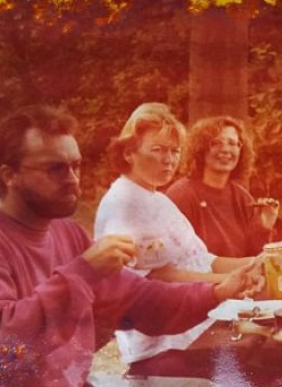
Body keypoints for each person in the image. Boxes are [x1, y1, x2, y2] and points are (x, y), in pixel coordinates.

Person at [0, 105, 258, 387]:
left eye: (76, 166)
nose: (73, 179)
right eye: (55, 169)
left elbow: (143, 300)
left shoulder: (68, 234)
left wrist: (218, 290)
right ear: (8, 175)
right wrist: (82, 272)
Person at [94, 103, 262, 370]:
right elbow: (159, 277)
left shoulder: (156, 197)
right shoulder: (125, 203)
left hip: (201, 325)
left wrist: (258, 262)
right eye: (158, 150)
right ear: (129, 152)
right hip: (167, 345)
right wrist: (227, 285)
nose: (169, 160)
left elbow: (202, 258)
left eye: (174, 151)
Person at [166, 115, 278, 258]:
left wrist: (263, 227)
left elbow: (255, 258)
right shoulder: (182, 195)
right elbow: (177, 261)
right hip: (201, 279)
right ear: (201, 149)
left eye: (232, 143)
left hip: (241, 277)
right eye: (216, 143)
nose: (225, 150)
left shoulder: (242, 197)